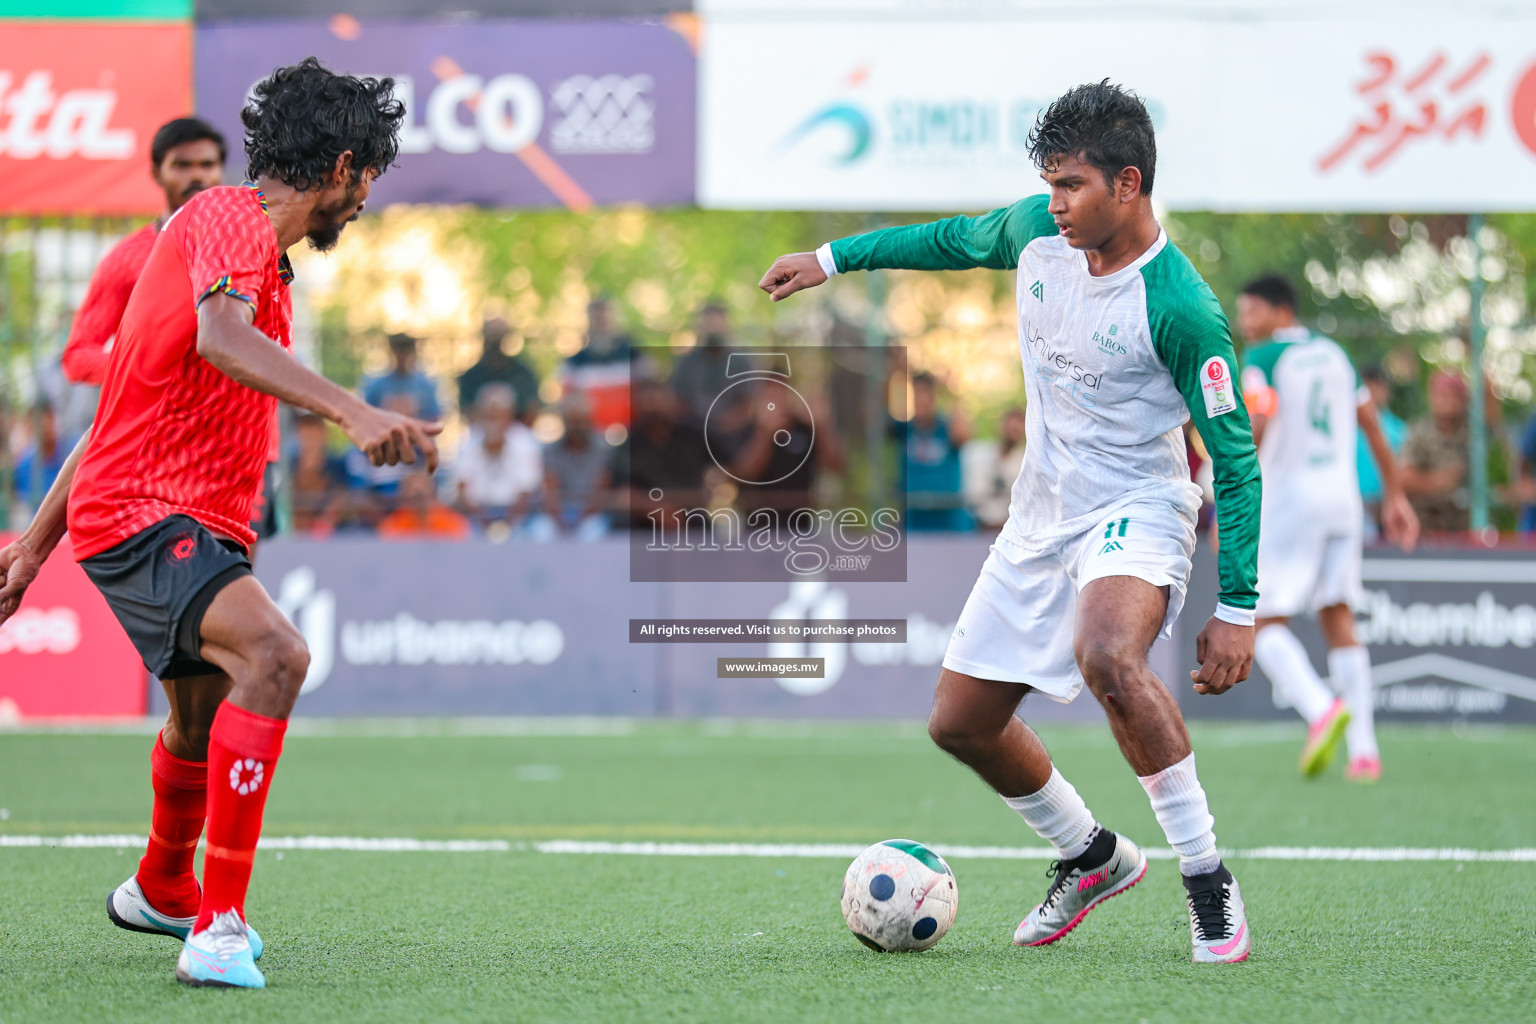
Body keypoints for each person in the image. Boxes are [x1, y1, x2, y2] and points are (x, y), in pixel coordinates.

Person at [760, 82, 1260, 964]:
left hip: (1137, 507)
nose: (1056, 203)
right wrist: (832, 259)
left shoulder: (1180, 307)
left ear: (1129, 185)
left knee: (1107, 653)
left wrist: (1241, 604)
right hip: (1041, 513)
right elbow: (947, 239)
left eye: (1073, 186)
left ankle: (1207, 880)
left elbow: (1237, 453)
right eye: (1051, 185)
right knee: (960, 723)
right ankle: (1091, 854)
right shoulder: (1037, 232)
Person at [0, 59, 436, 990]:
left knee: (199, 718)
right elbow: (221, 340)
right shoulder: (229, 220)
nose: (362, 206)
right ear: (346, 166)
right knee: (276, 658)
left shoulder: (249, 255)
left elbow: (113, 405)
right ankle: (220, 924)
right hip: (147, 513)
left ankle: (162, 887)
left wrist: (34, 548)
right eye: (367, 185)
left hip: (186, 515)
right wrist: (353, 412)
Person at [1235, 274, 1419, 784]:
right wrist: (1396, 495)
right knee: (1339, 617)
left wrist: (1231, 493)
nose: (1244, 323)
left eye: (1251, 312)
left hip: (1290, 501)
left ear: (1280, 311)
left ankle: (1321, 709)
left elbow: (1260, 424)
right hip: (1344, 502)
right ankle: (1364, 751)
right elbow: (1372, 425)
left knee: (1262, 625)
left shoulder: (1264, 359)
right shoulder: (1336, 354)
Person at [62, 118, 228, 387]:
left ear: (221, 170)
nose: (197, 176)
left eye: (207, 165)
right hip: (164, 425)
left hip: (239, 422)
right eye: (182, 165)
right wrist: (148, 372)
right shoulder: (127, 260)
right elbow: (78, 356)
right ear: (156, 173)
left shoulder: (248, 247)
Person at [450, 383, 543, 531]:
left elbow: (526, 492)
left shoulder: (525, 441)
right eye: (489, 414)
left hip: (518, 516)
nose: (494, 420)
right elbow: (462, 489)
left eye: (499, 414)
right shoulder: (469, 440)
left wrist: (505, 525)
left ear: (510, 413)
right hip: (476, 515)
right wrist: (482, 519)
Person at [894, 372, 974, 530]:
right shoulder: (904, 429)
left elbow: (963, 435)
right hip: (914, 520)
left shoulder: (947, 428)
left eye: (925, 393)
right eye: (915, 393)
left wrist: (953, 393)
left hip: (950, 521)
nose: (920, 399)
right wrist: (895, 371)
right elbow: (872, 421)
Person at [1400, 370, 1473, 535]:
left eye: (1454, 395)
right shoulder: (1418, 431)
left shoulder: (1472, 432)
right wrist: (1439, 481)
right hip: (1425, 526)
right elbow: (1404, 479)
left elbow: (1490, 408)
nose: (1448, 400)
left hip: (1463, 528)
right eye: (1442, 394)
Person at [540, 394, 614, 541]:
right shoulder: (551, 450)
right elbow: (550, 490)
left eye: (582, 421)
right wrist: (561, 518)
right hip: (560, 512)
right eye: (573, 422)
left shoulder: (604, 449)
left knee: (593, 533)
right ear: (564, 422)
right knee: (542, 532)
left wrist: (581, 518)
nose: (578, 427)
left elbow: (601, 489)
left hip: (593, 514)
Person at [560, 296, 636, 430]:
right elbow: (568, 403)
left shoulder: (635, 358)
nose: (602, 323)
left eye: (605, 318)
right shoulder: (574, 363)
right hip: (591, 437)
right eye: (597, 319)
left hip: (631, 433)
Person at [1355, 364, 1409, 538]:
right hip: (1355, 509)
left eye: (1376, 387)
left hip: (1387, 509)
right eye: (1367, 387)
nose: (1371, 393)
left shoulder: (1400, 431)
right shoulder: (1345, 431)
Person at [457, 316, 540, 418]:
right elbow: (466, 410)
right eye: (491, 337)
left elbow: (532, 407)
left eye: (498, 337)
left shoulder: (522, 373)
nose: (494, 344)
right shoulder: (471, 376)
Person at [669, 300, 735, 424]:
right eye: (709, 323)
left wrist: (729, 423)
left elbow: (749, 403)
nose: (713, 329)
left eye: (717, 323)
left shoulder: (741, 362)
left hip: (733, 431)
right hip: (694, 429)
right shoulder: (686, 363)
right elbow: (677, 402)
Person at [965, 405, 1027, 531]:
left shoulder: (1025, 463)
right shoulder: (979, 454)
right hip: (978, 525)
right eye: (1010, 427)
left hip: (1009, 529)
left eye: (1017, 428)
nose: (1013, 431)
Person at [288, 411, 351, 535]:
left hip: (334, 535)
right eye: (304, 427)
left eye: (314, 427)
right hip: (296, 534)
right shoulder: (288, 466)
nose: (309, 433)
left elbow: (344, 499)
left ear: (323, 431)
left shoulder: (338, 466)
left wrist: (326, 521)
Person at [362, 332, 442, 422]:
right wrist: (387, 409)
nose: (402, 357)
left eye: (406, 352)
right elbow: (365, 415)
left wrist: (415, 408)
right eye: (399, 352)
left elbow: (436, 416)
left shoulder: (425, 385)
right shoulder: (376, 385)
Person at [379, 469, 471, 540]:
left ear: (433, 491)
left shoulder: (453, 522)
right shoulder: (393, 524)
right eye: (411, 486)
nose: (417, 489)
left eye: (423, 485)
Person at [12, 402, 65, 515]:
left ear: (53, 420)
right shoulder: (24, 466)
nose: (42, 431)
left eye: (45, 424)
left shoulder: (71, 452)